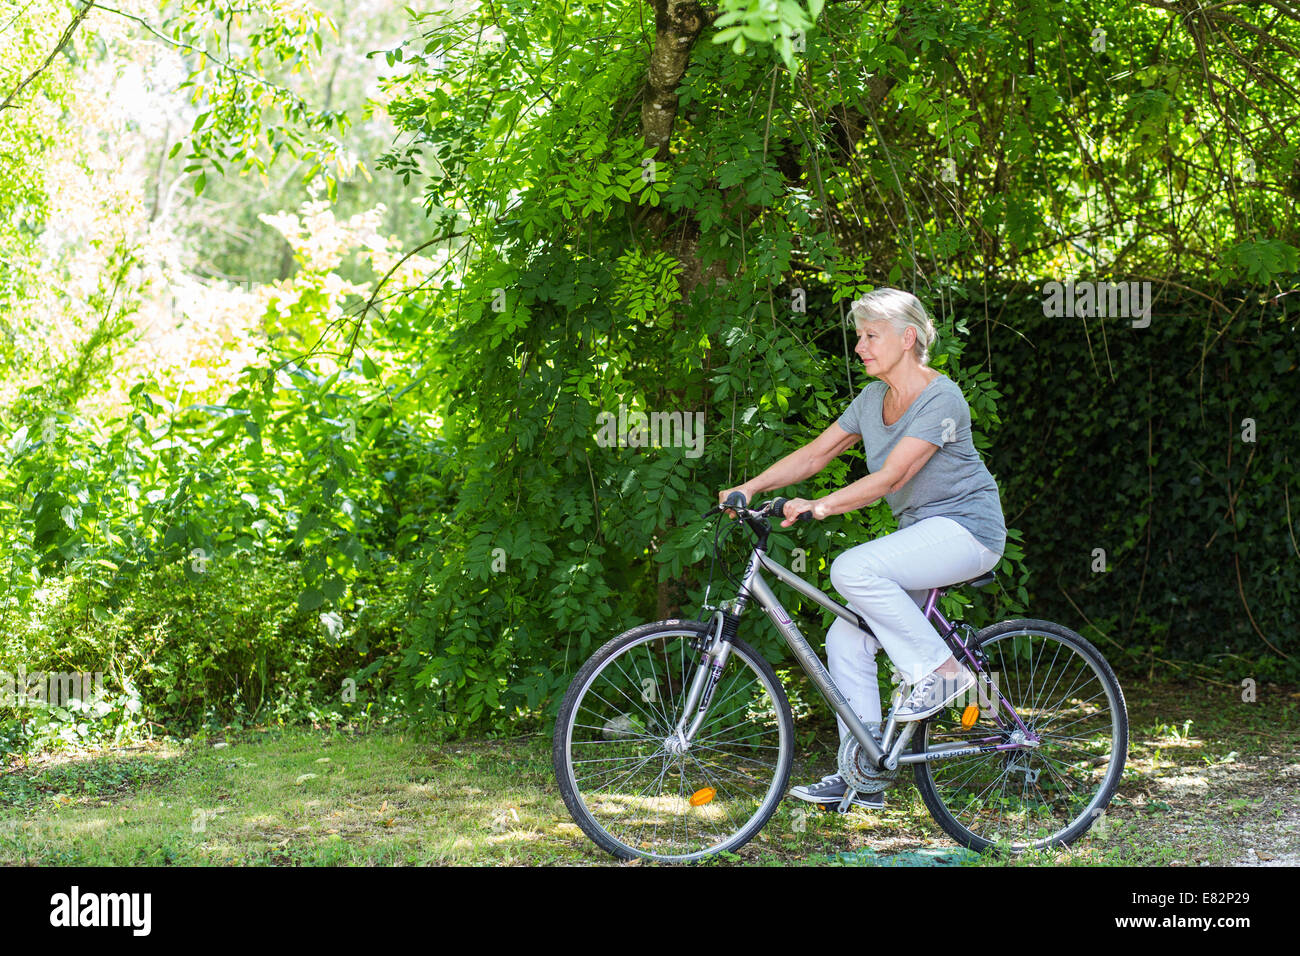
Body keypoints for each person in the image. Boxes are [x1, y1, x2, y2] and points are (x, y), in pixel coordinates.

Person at [717, 288, 1006, 810]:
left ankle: (944, 675)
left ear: (907, 338)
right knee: (847, 638)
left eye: (871, 335)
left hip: (967, 531)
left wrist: (822, 506)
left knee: (853, 568)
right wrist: (753, 487)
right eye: (859, 336)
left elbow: (895, 475)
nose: (860, 346)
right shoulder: (872, 401)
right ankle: (864, 772)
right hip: (920, 536)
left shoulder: (943, 398)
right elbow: (817, 453)